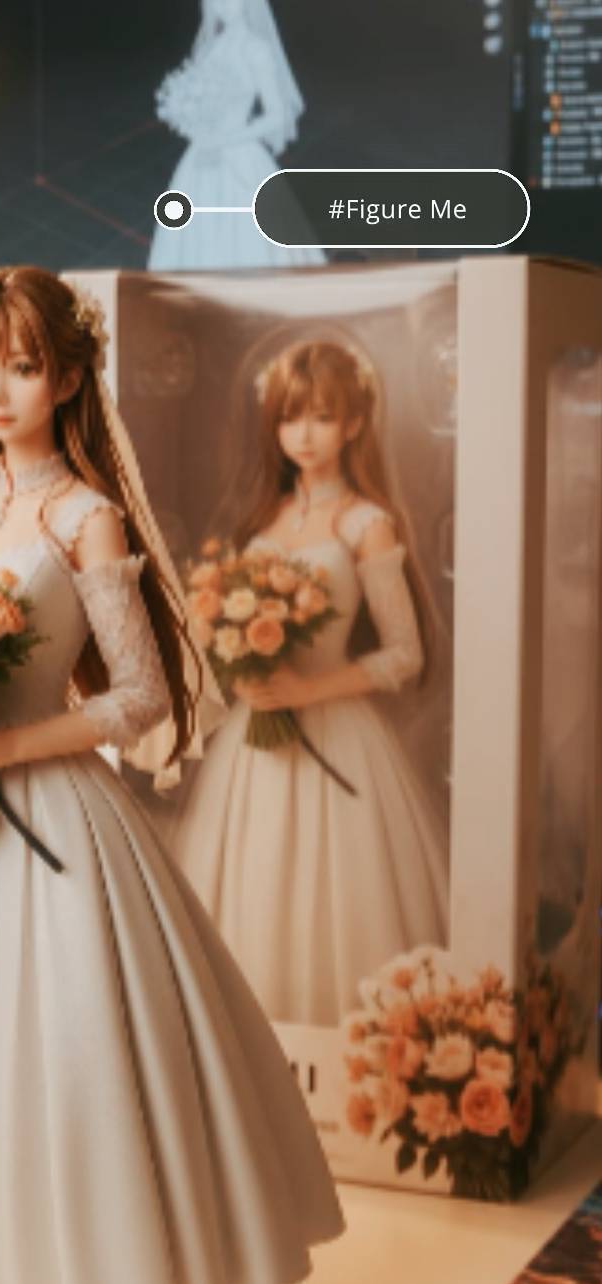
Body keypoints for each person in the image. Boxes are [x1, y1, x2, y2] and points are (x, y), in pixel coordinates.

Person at [0, 267, 343, 1284]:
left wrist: (5, 746)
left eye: (21, 367)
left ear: (66, 378)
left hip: (50, 814)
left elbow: (140, 696)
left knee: (58, 1053)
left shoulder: (85, 519)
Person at [172, 338, 450, 1027]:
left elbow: (405, 655)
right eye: (290, 417)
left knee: (340, 890)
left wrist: (305, 692)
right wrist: (232, 658)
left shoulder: (365, 524)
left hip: (335, 728)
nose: (303, 434)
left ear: (353, 424)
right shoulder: (264, 520)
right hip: (256, 738)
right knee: (254, 877)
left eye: (322, 417)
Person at [149, 0, 325, 271]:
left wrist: (222, 141)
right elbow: (200, 100)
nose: (222, 7)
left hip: (238, 149)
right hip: (202, 149)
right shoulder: (210, 46)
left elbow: (277, 115)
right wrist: (191, 122)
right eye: (216, 1)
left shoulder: (256, 49)